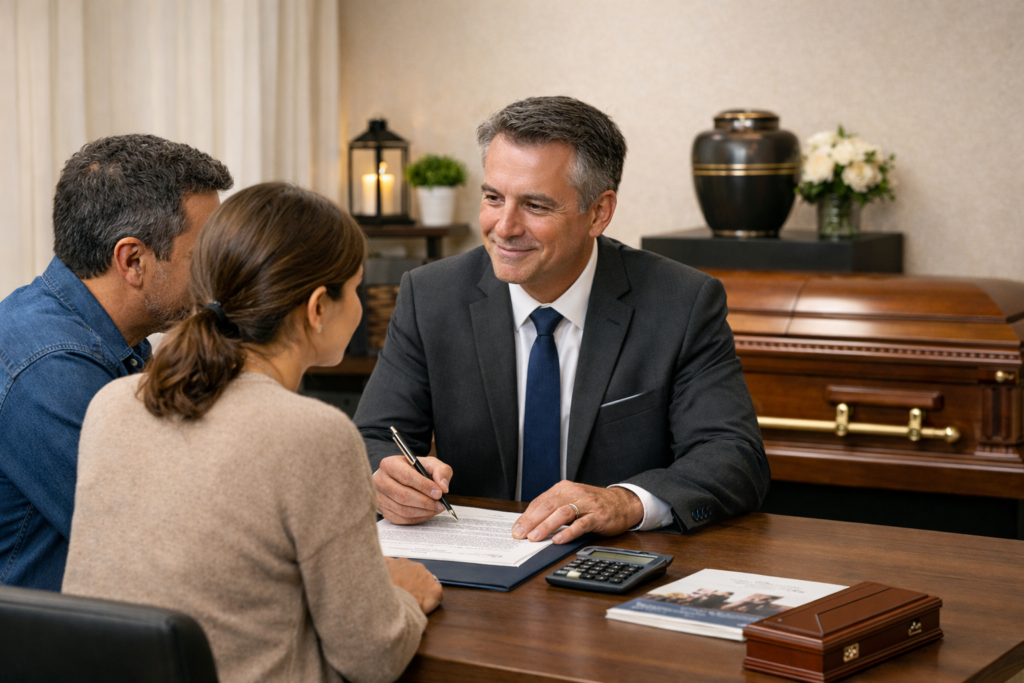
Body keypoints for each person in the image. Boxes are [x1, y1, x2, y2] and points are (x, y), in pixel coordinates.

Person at [62, 183, 441, 683]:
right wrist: (406, 597)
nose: (361, 307)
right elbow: (372, 657)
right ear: (318, 308)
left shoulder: (113, 404)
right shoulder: (315, 436)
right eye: (356, 288)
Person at [355, 96, 770, 545]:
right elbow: (374, 436)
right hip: (472, 562)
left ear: (599, 212)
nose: (504, 227)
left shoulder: (682, 302)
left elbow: (733, 457)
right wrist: (387, 479)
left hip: (611, 567)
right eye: (494, 198)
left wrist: (626, 502)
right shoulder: (430, 295)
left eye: (535, 206)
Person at [0, 134, 232, 590]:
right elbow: (157, 542)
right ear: (132, 260)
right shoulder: (50, 370)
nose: (217, 275)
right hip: (43, 654)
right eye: (203, 255)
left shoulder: (106, 338)